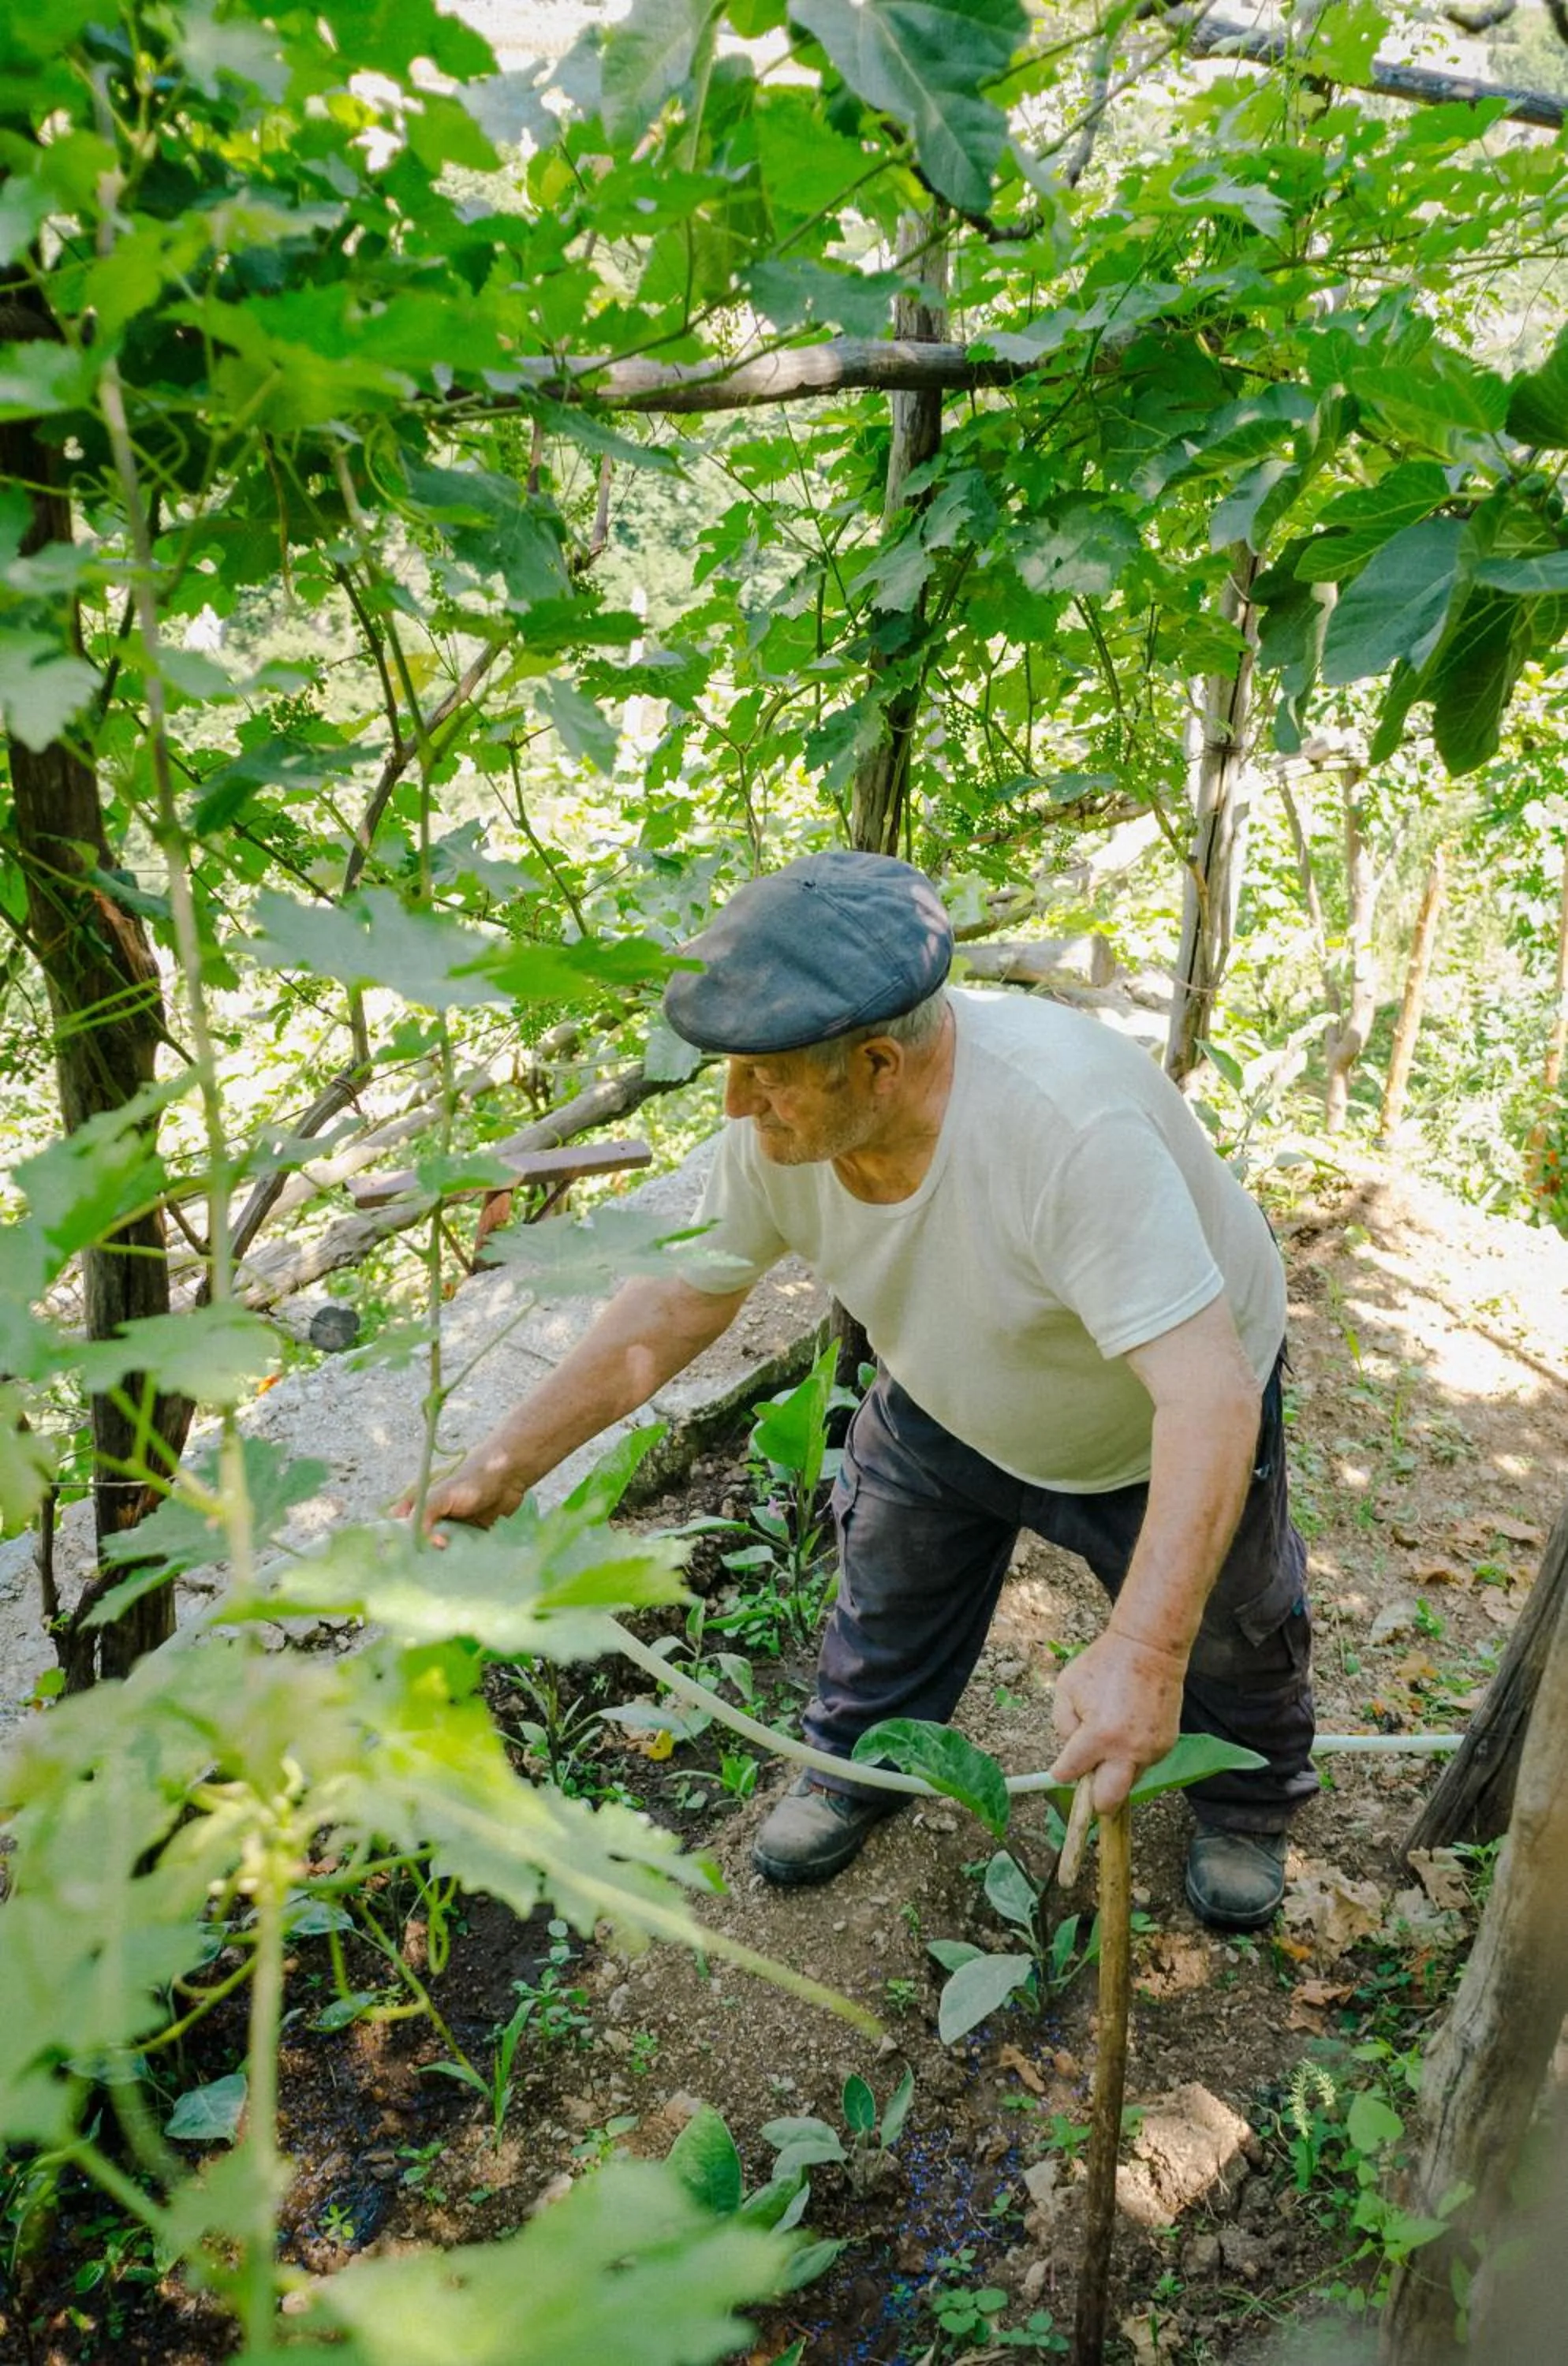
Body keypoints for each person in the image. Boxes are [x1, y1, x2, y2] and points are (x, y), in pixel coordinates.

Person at [416, 851, 1316, 1931]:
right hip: (946, 1396)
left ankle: (1248, 1802)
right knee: (887, 1595)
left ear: (881, 1066)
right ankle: (857, 1767)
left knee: (1230, 1631)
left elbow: (1207, 1397)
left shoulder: (1068, 1131)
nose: (739, 1103)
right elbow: (676, 1306)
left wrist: (1142, 1650)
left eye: (768, 1074)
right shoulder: (778, 1136)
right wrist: (504, 1464)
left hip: (1144, 1427)